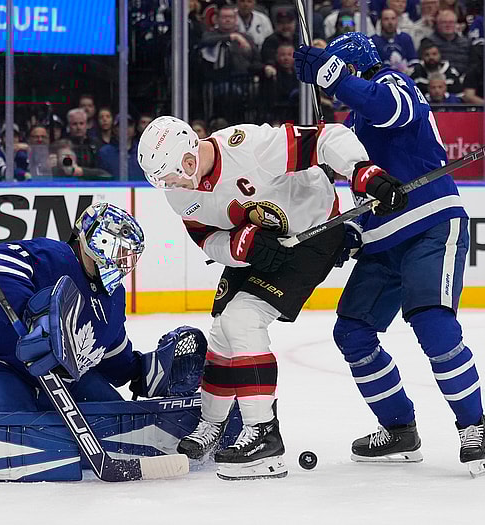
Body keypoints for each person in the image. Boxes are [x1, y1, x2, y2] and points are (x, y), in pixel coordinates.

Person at [137, 114, 397, 480]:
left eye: (172, 175)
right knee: (223, 328)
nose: (171, 185)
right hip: (258, 240)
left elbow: (326, 138)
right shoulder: (178, 192)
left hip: (313, 233)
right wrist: (238, 247)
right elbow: (206, 239)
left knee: (242, 320)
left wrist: (362, 171)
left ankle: (264, 435)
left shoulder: (248, 147)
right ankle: (213, 424)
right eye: (162, 180)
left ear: (189, 156)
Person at [294, 32, 485, 477]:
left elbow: (388, 108)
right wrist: (352, 229)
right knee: (352, 332)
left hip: (430, 223)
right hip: (382, 243)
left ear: (351, 68)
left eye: (339, 74)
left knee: (432, 322)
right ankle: (399, 428)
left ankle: (472, 424)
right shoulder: (351, 127)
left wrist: (332, 76)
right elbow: (365, 189)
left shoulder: (394, 82)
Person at [0, 202, 189, 413]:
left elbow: (108, 350)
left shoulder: (114, 296)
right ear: (97, 241)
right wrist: (33, 317)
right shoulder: (52, 256)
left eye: (129, 256)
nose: (123, 261)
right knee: (15, 422)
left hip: (56, 380)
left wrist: (138, 372)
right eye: (119, 250)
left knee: (116, 415)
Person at [97, 115, 145, 181]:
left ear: (134, 129)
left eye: (129, 125)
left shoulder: (143, 151)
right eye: (121, 125)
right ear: (115, 130)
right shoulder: (104, 153)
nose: (126, 128)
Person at [372, 8, 418, 72]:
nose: (390, 22)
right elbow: (373, 66)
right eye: (386, 19)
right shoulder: (373, 41)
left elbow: (413, 61)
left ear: (397, 21)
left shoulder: (406, 38)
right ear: (380, 21)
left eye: (393, 18)